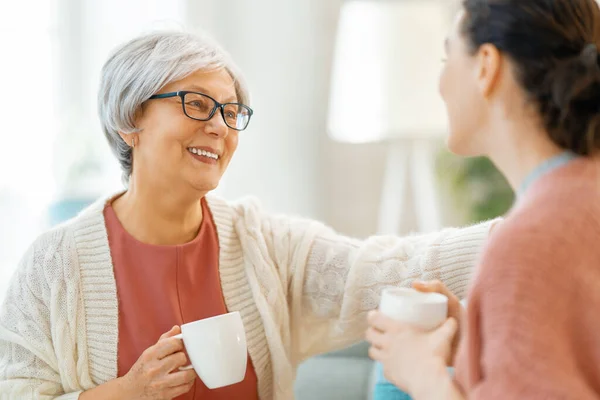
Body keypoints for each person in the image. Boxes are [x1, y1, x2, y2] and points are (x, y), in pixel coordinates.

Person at [0, 30, 496, 400]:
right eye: (197, 104)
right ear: (130, 121)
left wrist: (534, 228)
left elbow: (387, 269)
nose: (219, 127)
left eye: (231, 112)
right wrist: (126, 393)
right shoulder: (54, 264)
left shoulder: (263, 244)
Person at [366, 0, 600, 398]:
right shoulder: (579, 200)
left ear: (486, 66)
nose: (439, 84)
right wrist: (479, 336)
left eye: (446, 57)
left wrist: (423, 376)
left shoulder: (531, 241)